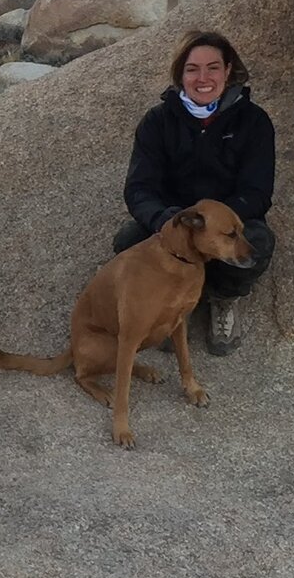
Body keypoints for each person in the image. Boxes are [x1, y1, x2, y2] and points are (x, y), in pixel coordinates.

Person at [116, 30, 276, 354]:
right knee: (127, 242)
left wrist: (217, 224)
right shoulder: (157, 122)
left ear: (228, 70)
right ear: (181, 75)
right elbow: (139, 188)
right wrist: (165, 221)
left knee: (259, 241)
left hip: (228, 221)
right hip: (176, 221)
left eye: (213, 68)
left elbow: (258, 191)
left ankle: (222, 297)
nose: (203, 78)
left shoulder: (254, 121)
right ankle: (172, 302)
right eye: (192, 69)